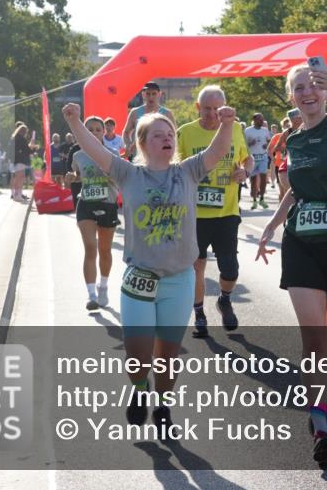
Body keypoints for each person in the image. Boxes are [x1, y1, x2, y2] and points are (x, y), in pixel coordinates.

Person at [62, 99, 236, 439]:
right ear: (143, 144)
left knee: (167, 356)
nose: (166, 138)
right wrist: (74, 121)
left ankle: (163, 404)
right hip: (139, 279)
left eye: (169, 133)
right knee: (138, 357)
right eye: (157, 135)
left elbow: (217, 152)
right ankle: (140, 388)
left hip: (179, 280)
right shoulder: (128, 174)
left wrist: (227, 123)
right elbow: (94, 149)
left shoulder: (187, 171)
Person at [254, 64, 327, 464]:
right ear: (291, 96)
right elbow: (295, 191)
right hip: (301, 242)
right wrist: (270, 226)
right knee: (314, 339)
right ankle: (320, 425)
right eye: (299, 88)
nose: (307, 93)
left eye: (314, 86)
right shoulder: (293, 141)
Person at [176, 85, 254, 338]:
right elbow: (176, 169)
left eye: (216, 109)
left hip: (226, 212)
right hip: (195, 215)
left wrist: (245, 170)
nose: (212, 114)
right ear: (198, 107)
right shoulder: (185, 133)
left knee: (230, 269)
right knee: (196, 267)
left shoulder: (236, 128)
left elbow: (247, 158)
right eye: (207, 109)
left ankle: (225, 298)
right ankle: (199, 314)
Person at [71, 116, 120, 310]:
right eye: (89, 130)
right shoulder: (78, 155)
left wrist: (111, 174)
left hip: (108, 203)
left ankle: (103, 286)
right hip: (86, 204)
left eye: (97, 130)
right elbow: (78, 174)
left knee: (105, 250)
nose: (93, 133)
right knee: (90, 248)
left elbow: (121, 179)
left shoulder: (112, 153)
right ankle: (91, 295)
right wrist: (72, 177)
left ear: (103, 133)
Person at [123, 81, 175, 160]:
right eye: (148, 94)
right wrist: (128, 144)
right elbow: (126, 132)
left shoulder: (167, 114)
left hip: (160, 157)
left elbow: (174, 135)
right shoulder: (135, 112)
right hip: (139, 157)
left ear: (159, 94)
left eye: (154, 94)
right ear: (143, 95)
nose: (151, 97)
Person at [244, 113, 272, 209]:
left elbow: (269, 141)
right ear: (254, 120)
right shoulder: (248, 131)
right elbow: (243, 144)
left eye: (262, 119)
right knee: (253, 180)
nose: (262, 121)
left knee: (264, 177)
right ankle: (254, 200)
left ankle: (262, 198)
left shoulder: (265, 130)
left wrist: (266, 146)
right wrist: (250, 143)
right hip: (252, 158)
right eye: (260, 119)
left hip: (263, 157)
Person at [9, 124, 33, 201]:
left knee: (16, 178)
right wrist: (33, 148)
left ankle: (15, 194)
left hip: (14, 160)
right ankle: (18, 195)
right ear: (24, 132)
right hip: (20, 160)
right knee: (20, 178)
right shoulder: (22, 139)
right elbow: (27, 151)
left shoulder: (13, 138)